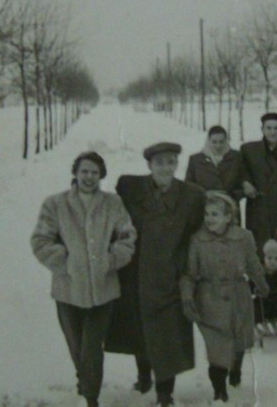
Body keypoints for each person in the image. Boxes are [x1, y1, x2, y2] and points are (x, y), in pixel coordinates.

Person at [31, 151, 137, 407]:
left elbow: (127, 237)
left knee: (91, 347)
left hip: (103, 289)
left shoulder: (113, 203)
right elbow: (40, 240)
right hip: (68, 289)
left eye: (94, 172)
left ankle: (91, 398)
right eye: (84, 171)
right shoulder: (54, 204)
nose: (89, 177)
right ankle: (85, 382)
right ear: (75, 173)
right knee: (76, 346)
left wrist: (111, 260)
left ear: (101, 175)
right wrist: (65, 261)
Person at [104, 142, 206, 406]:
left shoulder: (191, 196)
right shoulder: (131, 188)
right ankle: (143, 376)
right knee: (139, 329)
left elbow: (194, 236)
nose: (166, 167)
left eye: (171, 162)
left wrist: (183, 269)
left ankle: (165, 393)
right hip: (135, 275)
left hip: (169, 277)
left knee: (167, 337)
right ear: (149, 166)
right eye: (160, 163)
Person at [180, 191, 269, 403]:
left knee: (239, 342)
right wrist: (187, 297)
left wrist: (262, 284)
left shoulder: (243, 237)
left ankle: (236, 370)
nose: (210, 219)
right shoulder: (197, 240)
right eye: (207, 214)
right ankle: (220, 391)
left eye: (215, 214)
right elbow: (190, 273)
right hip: (209, 300)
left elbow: (253, 264)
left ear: (228, 217)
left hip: (239, 297)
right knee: (217, 349)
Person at [240, 112, 277, 276]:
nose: (272, 132)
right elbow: (241, 171)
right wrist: (245, 182)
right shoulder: (249, 150)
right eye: (268, 128)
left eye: (276, 128)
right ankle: (259, 287)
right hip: (259, 207)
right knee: (259, 246)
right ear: (262, 129)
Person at [185, 125, 244, 202]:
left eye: (221, 142)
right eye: (214, 142)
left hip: (230, 208)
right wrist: (204, 194)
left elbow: (245, 182)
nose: (218, 146)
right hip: (204, 208)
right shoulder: (196, 159)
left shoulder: (236, 157)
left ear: (226, 141)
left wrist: (231, 195)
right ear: (208, 141)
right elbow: (188, 186)